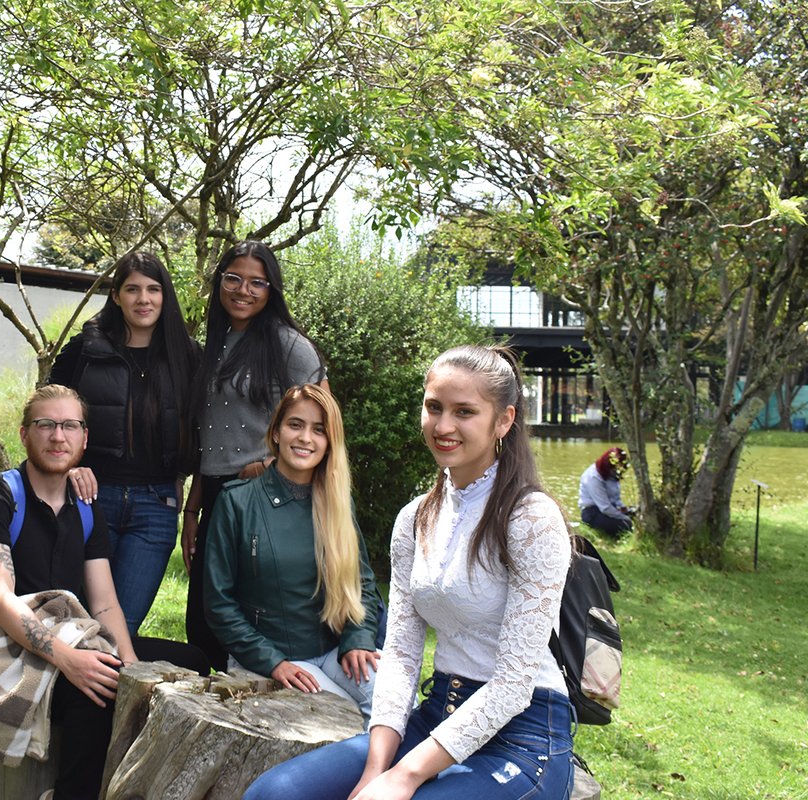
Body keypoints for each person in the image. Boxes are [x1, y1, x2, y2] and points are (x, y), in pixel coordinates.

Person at [244, 344, 574, 800]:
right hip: (435, 714)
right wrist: (376, 768)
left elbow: (514, 686)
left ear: (503, 420)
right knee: (274, 794)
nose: (443, 426)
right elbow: (399, 652)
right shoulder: (414, 518)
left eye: (464, 412)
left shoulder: (531, 519)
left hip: (521, 736)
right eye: (434, 407)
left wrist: (404, 777)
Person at [0, 384, 207, 799]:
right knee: (95, 689)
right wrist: (72, 661)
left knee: (193, 661)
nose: (59, 436)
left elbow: (106, 602)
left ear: (85, 438)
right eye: (46, 425)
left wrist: (130, 665)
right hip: (6, 650)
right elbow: (2, 600)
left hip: (72, 637)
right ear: (24, 434)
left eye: (70, 426)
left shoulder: (85, 506)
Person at [181, 240, 327, 671]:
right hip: (214, 493)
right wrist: (192, 510)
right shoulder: (215, 343)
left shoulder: (289, 346)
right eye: (233, 278)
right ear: (219, 282)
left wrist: (269, 465)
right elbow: (210, 433)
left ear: (271, 290)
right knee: (204, 618)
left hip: (263, 493)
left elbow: (324, 424)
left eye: (257, 283)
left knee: (245, 615)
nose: (243, 290)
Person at [204, 383, 380, 720]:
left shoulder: (338, 504)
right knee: (343, 720)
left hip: (334, 651)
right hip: (268, 658)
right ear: (276, 432)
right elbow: (218, 604)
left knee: (397, 706)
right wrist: (273, 662)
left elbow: (364, 584)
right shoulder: (236, 501)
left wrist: (358, 638)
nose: (305, 438)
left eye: (319, 430)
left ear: (330, 443)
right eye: (295, 425)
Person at [48, 252, 201, 635]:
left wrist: (181, 476)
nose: (143, 299)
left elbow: (200, 427)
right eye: (132, 289)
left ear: (165, 296)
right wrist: (68, 466)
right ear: (116, 296)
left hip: (156, 506)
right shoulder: (86, 349)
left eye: (153, 289)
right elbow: (48, 415)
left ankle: (102, 691)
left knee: (121, 628)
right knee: (72, 622)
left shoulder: (188, 355)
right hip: (90, 499)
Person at [578, 447, 633, 538]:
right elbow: (605, 508)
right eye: (615, 468)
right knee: (626, 525)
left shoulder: (613, 475)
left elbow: (616, 498)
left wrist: (624, 509)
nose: (617, 471)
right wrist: (625, 518)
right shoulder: (594, 477)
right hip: (592, 512)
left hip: (609, 508)